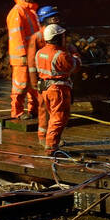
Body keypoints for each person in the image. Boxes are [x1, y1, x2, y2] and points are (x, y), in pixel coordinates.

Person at [34, 25, 80, 153]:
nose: (65, 38)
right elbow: (75, 66)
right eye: (63, 36)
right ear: (57, 38)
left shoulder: (40, 53)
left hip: (45, 88)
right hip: (57, 90)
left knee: (52, 116)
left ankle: (49, 141)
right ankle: (51, 146)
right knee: (59, 118)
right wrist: (75, 53)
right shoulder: (61, 55)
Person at [6, 0, 40, 120]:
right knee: (20, 85)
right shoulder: (17, 12)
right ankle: (17, 112)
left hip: (32, 55)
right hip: (22, 58)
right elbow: (17, 36)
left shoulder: (29, 11)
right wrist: (23, 55)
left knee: (33, 84)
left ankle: (34, 110)